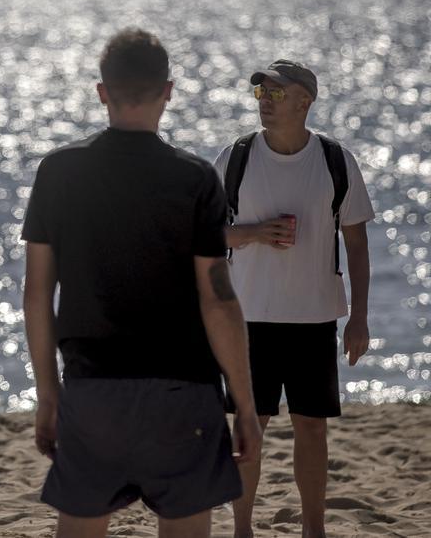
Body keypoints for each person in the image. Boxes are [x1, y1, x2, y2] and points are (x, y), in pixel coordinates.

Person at [21, 28, 262, 538]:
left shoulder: (60, 172)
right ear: (168, 91)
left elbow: (38, 294)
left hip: (93, 388)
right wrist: (244, 404)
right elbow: (218, 300)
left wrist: (48, 394)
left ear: (102, 90)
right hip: (184, 392)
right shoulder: (195, 178)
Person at [215, 60, 374, 538]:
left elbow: (357, 243)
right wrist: (255, 233)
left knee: (312, 430)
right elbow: (204, 234)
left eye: (277, 93)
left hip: (315, 318)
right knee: (249, 430)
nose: (265, 99)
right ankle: (243, 529)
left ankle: (313, 530)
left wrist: (359, 318)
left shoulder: (335, 160)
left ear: (306, 100)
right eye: (260, 91)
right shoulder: (236, 158)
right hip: (249, 319)